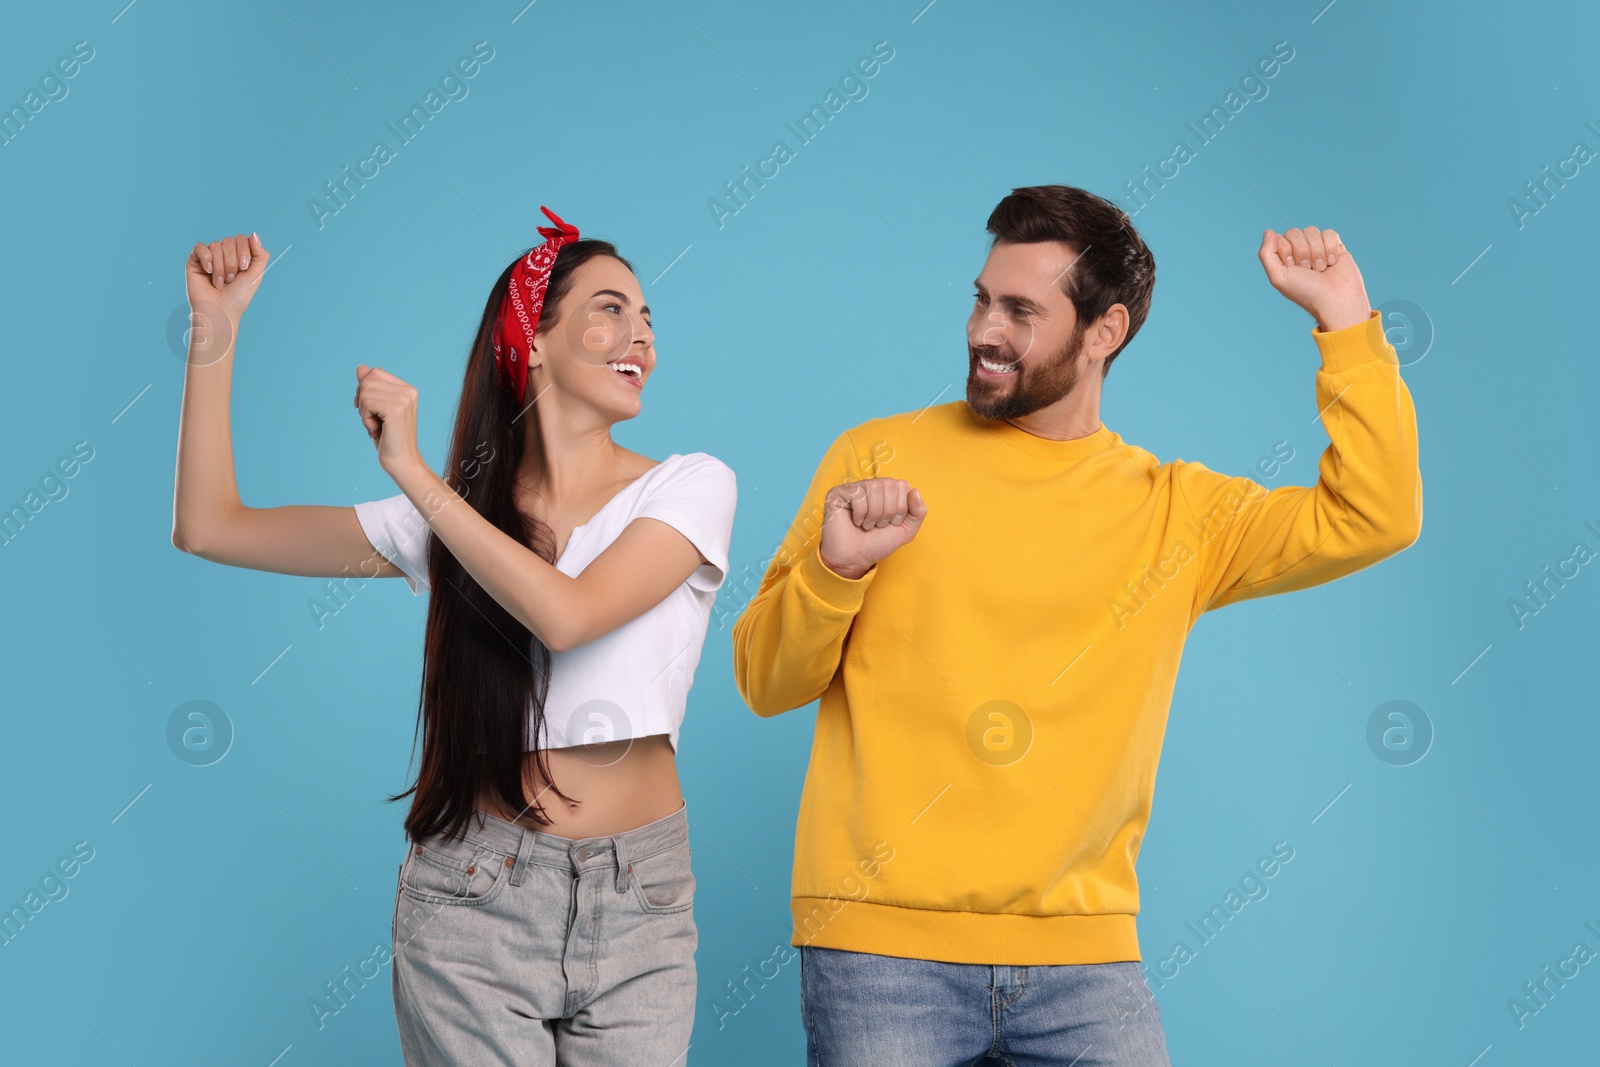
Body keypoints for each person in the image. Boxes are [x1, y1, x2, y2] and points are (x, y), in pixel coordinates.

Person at [731, 184, 1420, 1064]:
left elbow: (1376, 514)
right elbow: (763, 681)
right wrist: (837, 571)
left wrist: (1347, 323)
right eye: (982, 298)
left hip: (1084, 962)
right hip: (878, 951)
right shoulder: (877, 458)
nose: (984, 330)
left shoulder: (1176, 514)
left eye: (1021, 310)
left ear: (1106, 331)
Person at [172, 207, 736, 1066]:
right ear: (533, 342)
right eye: (612, 309)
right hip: (475, 895)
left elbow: (569, 614)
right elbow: (210, 526)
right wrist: (214, 330)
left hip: (640, 899)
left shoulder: (692, 486)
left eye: (649, 318)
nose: (642, 336)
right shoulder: (456, 521)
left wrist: (414, 475)